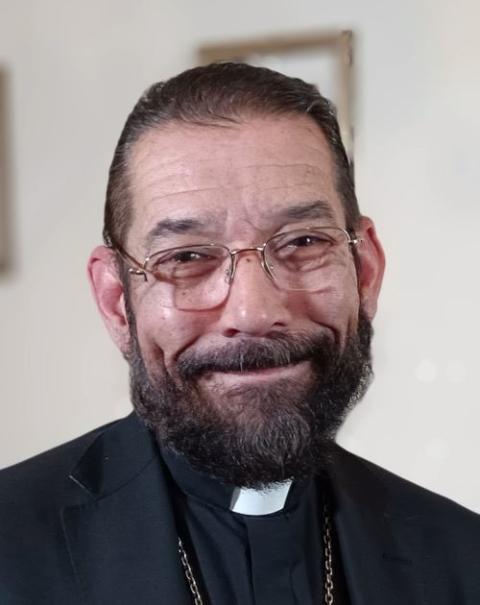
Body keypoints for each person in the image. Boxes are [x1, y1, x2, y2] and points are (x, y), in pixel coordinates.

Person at [0, 62, 479, 605]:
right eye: (186, 257)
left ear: (364, 270)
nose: (253, 312)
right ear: (117, 302)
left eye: (302, 242)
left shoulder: (463, 559)